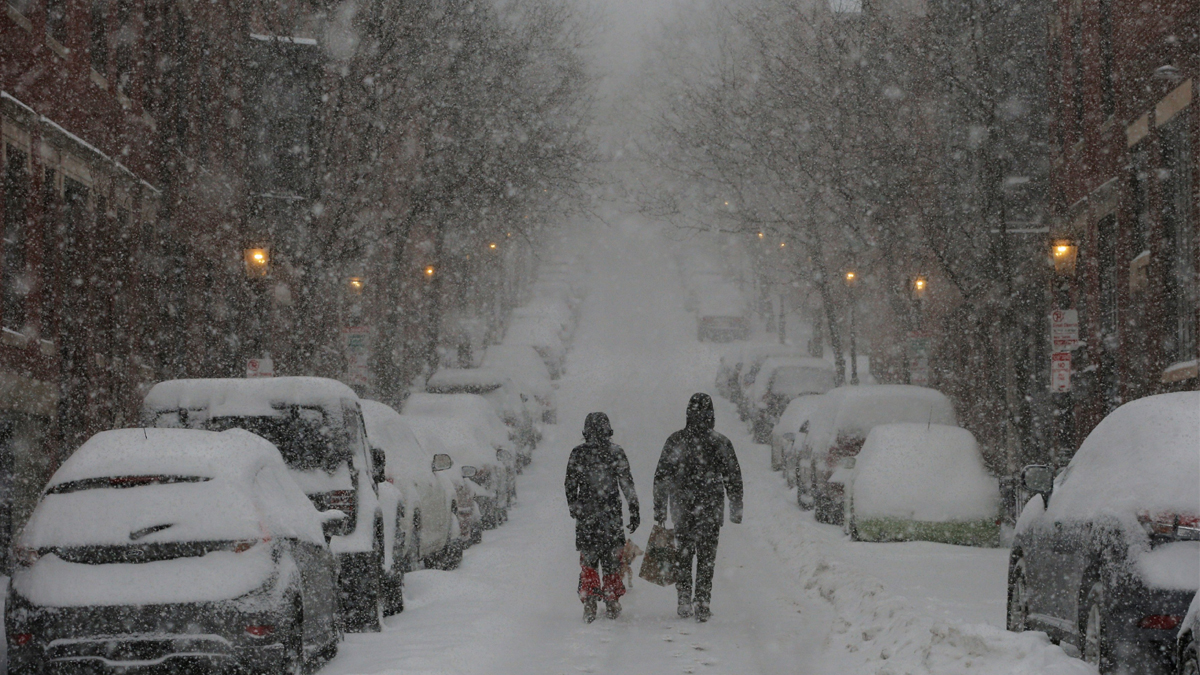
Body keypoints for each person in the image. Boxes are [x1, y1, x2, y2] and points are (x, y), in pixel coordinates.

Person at [653, 393, 743, 623]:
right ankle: (702, 601)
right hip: (711, 507)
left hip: (682, 506)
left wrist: (660, 508)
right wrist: (735, 505)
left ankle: (684, 598)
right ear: (711, 415)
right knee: (706, 556)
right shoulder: (720, 442)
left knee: (683, 553)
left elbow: (662, 476)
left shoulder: (675, 441)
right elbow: (733, 476)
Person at [565, 412, 640, 622]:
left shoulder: (578, 454)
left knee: (589, 559)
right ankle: (611, 597)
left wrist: (574, 507)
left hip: (587, 515)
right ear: (609, 431)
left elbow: (570, 484)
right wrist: (634, 509)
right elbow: (627, 483)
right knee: (611, 560)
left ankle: (589, 599)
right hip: (610, 515)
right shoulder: (616, 453)